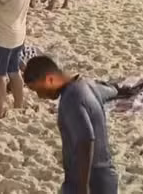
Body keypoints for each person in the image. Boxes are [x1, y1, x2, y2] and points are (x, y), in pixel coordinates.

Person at [23, 56, 119, 194]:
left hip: (91, 180)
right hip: (104, 176)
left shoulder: (71, 98)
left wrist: (83, 188)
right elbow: (110, 91)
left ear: (50, 79)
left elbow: (85, 141)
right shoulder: (86, 84)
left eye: (38, 90)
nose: (40, 96)